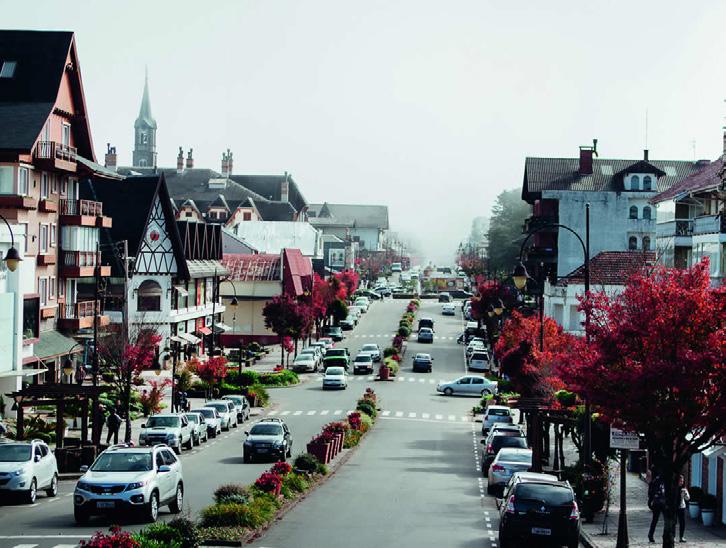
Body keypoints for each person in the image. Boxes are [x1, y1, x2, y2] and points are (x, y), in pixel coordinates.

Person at [647, 469, 666, 543]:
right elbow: (651, 492)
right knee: (655, 519)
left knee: (657, 520)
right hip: (658, 502)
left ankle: (651, 534)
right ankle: (651, 534)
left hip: (662, 501)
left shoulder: (663, 480)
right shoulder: (656, 481)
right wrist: (650, 500)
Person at [677, 474, 690, 543]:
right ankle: (672, 536)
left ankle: (681, 537)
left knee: (682, 523)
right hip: (675, 507)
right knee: (674, 522)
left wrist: (685, 493)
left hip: (682, 507)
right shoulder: (674, 488)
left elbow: (688, 498)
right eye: (680, 481)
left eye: (682, 481)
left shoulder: (684, 489)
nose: (681, 482)